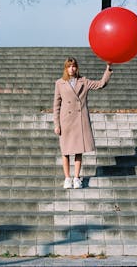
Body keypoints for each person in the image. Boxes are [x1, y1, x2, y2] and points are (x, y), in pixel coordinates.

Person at [53, 57, 113, 189]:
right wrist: (56, 124)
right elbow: (56, 105)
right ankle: (67, 178)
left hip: (79, 121)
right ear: (65, 68)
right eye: (69, 66)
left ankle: (76, 178)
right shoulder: (59, 83)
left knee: (78, 151)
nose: (71, 69)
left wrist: (108, 69)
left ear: (76, 67)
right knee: (66, 152)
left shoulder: (83, 81)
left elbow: (101, 84)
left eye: (73, 66)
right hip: (66, 121)